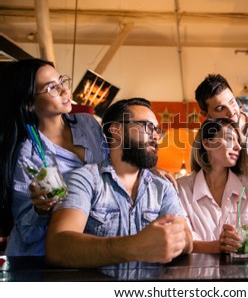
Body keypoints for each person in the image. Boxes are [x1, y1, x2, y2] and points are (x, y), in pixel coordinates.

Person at [45, 98, 192, 268]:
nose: (156, 137)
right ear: (116, 131)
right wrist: (134, 246)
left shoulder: (163, 187)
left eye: (157, 130)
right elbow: (58, 247)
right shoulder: (84, 180)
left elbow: (187, 239)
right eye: (148, 127)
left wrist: (177, 240)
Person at [0, 58, 107, 256]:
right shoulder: (28, 154)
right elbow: (27, 231)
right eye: (51, 88)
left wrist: (147, 169)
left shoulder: (88, 124)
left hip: (84, 248)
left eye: (61, 82)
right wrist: (40, 210)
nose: (65, 91)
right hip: (38, 260)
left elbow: (114, 168)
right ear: (29, 103)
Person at [177, 117, 248, 253]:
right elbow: (182, 242)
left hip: (241, 272)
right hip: (198, 273)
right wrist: (218, 246)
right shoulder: (182, 189)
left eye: (239, 141)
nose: (238, 146)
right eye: (230, 139)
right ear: (208, 144)